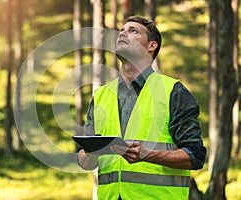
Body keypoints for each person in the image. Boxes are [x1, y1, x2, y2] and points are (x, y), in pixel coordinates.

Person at [77, 16, 206, 200]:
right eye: (122, 30)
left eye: (133, 31)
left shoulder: (173, 91)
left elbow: (195, 155)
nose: (122, 33)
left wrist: (149, 155)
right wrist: (90, 154)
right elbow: (83, 159)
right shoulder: (101, 95)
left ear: (151, 46)